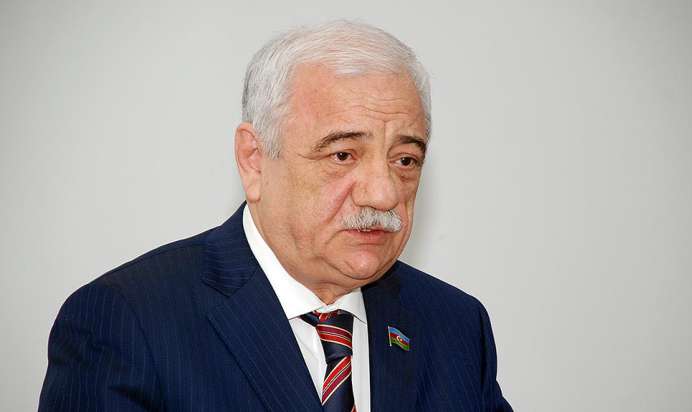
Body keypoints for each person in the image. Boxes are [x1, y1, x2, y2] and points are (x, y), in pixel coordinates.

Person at [39, 20, 512, 411]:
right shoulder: (128, 322)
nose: (384, 193)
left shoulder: (454, 325)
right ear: (254, 160)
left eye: (405, 160)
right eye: (343, 155)